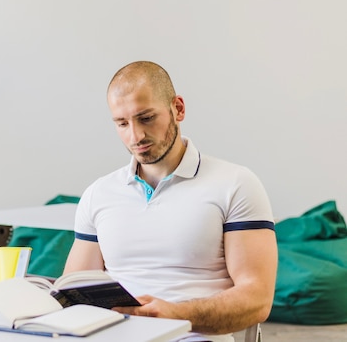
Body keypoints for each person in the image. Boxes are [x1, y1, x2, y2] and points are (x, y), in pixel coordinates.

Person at [63, 61, 277, 342]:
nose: (135, 136)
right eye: (122, 123)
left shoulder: (236, 184)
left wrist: (176, 315)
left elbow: (257, 299)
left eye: (146, 118)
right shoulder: (99, 193)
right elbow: (74, 290)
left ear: (178, 109)